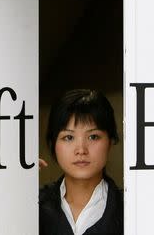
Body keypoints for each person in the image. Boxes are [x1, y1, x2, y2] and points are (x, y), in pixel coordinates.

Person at [39, 89, 123, 235]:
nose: (81, 150)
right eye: (69, 137)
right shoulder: (33, 206)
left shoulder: (131, 210)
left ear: (110, 141)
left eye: (93, 137)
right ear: (53, 144)